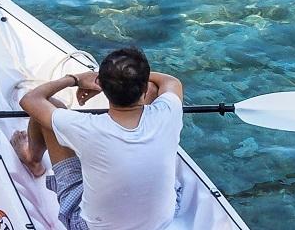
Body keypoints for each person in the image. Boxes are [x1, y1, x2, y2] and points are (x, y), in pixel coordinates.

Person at [13, 47, 185, 230]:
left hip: (91, 227)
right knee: (154, 88)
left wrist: (74, 79)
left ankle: (32, 159)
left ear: (101, 85)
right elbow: (170, 81)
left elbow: (30, 100)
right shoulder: (169, 111)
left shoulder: (85, 126)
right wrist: (130, 78)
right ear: (141, 86)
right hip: (163, 220)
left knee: (50, 108)